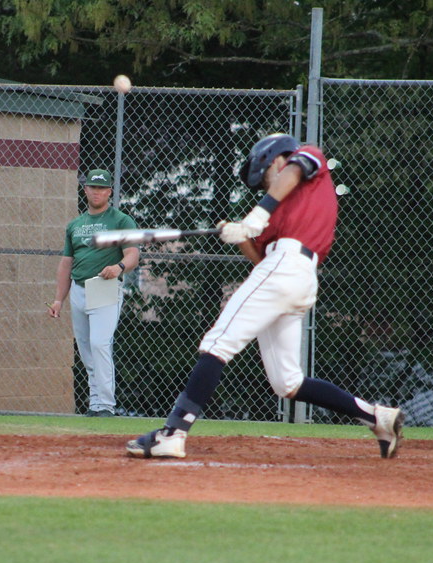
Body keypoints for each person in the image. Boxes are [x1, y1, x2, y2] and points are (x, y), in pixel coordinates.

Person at [126, 133, 405, 459]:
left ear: (276, 159)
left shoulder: (305, 157)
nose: (265, 189)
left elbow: (294, 173)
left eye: (266, 177)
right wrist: (239, 234)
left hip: (289, 268)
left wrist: (257, 215)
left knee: (217, 344)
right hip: (291, 275)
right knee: (288, 383)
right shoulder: (281, 212)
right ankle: (377, 417)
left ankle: (172, 434)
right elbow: (261, 261)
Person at [49, 168, 140, 417]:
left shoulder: (121, 220)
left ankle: (107, 405)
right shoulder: (75, 224)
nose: (97, 191)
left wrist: (119, 266)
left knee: (100, 344)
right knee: (86, 348)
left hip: (103, 285)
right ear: (85, 190)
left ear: (109, 191)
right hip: (78, 288)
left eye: (101, 188)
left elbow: (132, 254)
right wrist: (59, 299)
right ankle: (95, 403)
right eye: (92, 187)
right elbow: (66, 263)